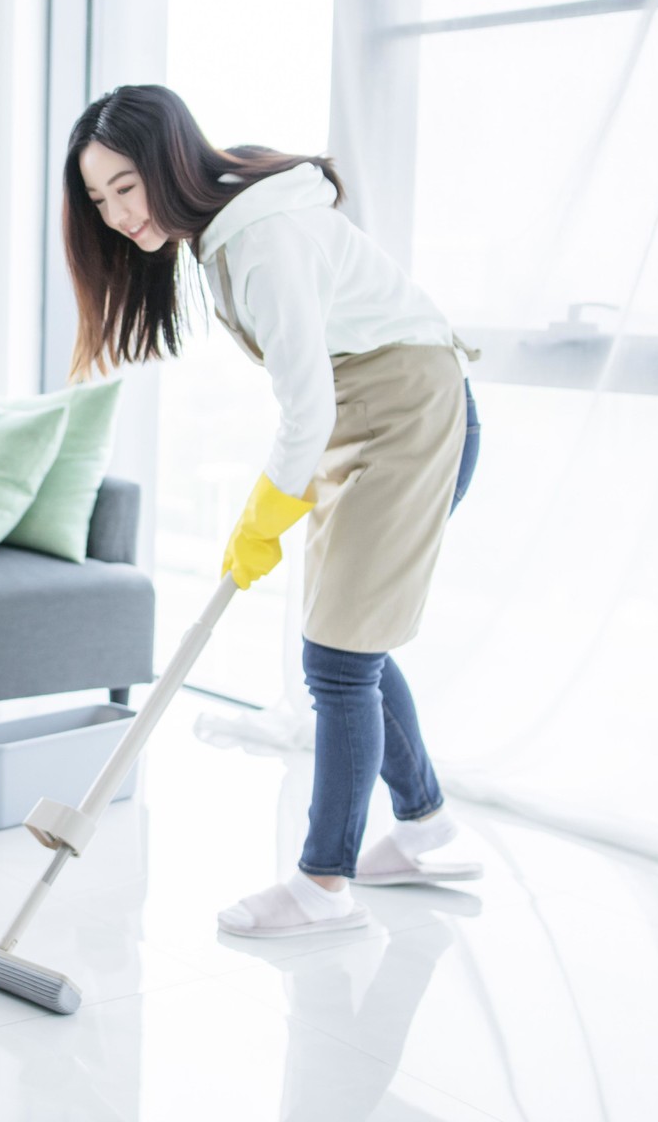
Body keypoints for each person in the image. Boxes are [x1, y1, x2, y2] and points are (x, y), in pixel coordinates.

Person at [64, 84, 483, 938]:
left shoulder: (259, 240)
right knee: (347, 638)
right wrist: (277, 502)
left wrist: (265, 510)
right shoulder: (223, 233)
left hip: (408, 415)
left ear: (167, 161)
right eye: (99, 199)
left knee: (337, 654)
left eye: (125, 188)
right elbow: (320, 401)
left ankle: (323, 886)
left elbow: (309, 405)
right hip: (371, 416)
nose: (115, 215)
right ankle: (427, 823)